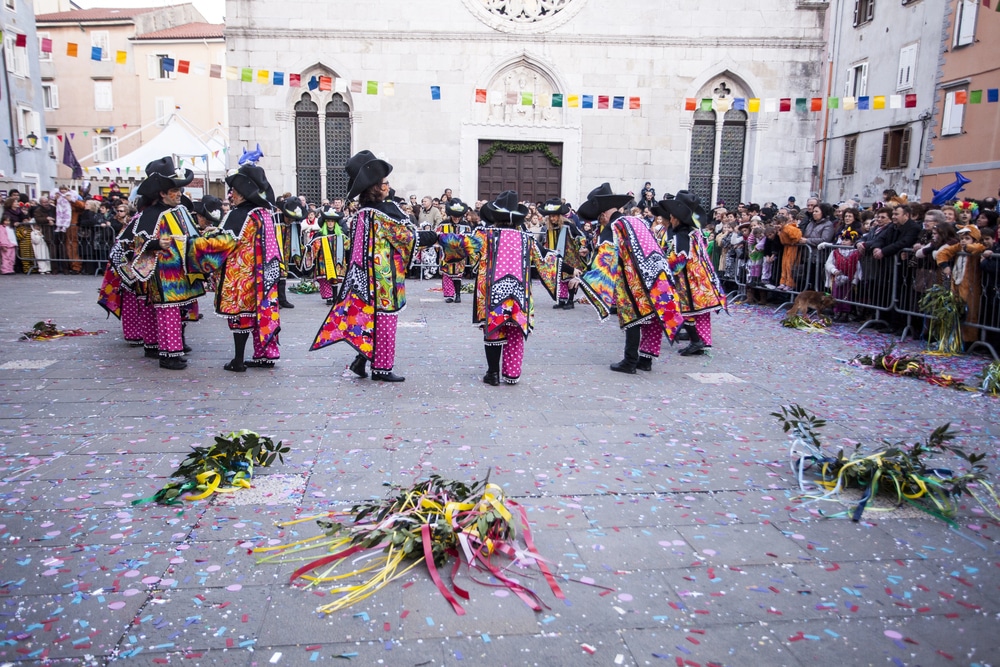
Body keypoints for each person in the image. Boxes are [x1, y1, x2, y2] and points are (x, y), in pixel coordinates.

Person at [311, 150, 436, 382]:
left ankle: (361, 361)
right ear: (375, 187)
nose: (388, 186)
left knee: (370, 320)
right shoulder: (384, 213)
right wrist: (435, 237)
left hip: (362, 278)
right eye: (385, 183)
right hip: (383, 278)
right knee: (385, 321)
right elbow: (407, 238)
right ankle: (382, 368)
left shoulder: (363, 212)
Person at [439, 191, 554, 385]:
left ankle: (492, 373)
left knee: (493, 329)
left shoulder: (485, 235)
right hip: (519, 294)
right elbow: (545, 258)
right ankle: (512, 373)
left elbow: (460, 245)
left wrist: (436, 237)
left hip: (492, 292)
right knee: (515, 332)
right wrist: (572, 271)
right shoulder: (526, 239)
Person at [575, 183, 685, 373]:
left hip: (633, 280)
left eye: (599, 217)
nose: (600, 221)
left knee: (632, 318)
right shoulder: (637, 221)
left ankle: (630, 361)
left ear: (603, 214)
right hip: (658, 276)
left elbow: (605, 257)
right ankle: (646, 360)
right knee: (652, 319)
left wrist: (583, 279)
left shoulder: (613, 226)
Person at [130, 157, 205, 370]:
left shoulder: (179, 212)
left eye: (179, 190)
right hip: (162, 274)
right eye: (174, 190)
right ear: (162, 193)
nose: (179, 194)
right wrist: (155, 243)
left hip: (179, 272)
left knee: (175, 312)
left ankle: (174, 351)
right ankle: (168, 355)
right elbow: (138, 242)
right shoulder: (151, 214)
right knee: (167, 312)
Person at [216, 163, 282, 372]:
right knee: (261, 313)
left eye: (234, 190)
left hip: (242, 274)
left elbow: (222, 243)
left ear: (243, 192)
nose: (231, 195)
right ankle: (264, 354)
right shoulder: (263, 213)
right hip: (265, 274)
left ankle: (238, 360)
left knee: (241, 315)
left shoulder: (239, 214)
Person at [652, 191, 727, 355]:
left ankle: (696, 341)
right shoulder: (692, 232)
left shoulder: (682, 235)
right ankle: (699, 339)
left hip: (690, 281)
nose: (670, 218)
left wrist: (663, 267)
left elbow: (679, 260)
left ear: (677, 218)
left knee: (685, 309)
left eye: (672, 216)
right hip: (698, 278)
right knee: (693, 311)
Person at [539, 198, 587, 309]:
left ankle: (570, 301)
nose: (552, 218)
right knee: (559, 278)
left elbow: (579, 236)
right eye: (550, 216)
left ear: (559, 216)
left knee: (569, 278)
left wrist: (581, 247)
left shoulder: (568, 225)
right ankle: (562, 300)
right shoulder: (549, 228)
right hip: (556, 256)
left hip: (570, 256)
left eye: (554, 216)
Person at [311, 205, 348, 305]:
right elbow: (314, 247)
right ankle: (329, 297)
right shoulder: (319, 234)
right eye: (328, 221)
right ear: (325, 222)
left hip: (337, 259)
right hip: (323, 260)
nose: (330, 223)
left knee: (334, 278)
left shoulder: (341, 235)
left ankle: (335, 296)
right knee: (325, 279)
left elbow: (347, 245)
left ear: (335, 223)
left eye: (332, 221)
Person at [438, 199, 470, 303]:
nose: (456, 218)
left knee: (458, 275)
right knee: (447, 275)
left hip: (460, 255)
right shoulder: (443, 224)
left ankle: (458, 295)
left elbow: (469, 239)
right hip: (446, 255)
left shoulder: (466, 225)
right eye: (454, 216)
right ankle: (449, 295)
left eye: (458, 216)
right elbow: (436, 236)